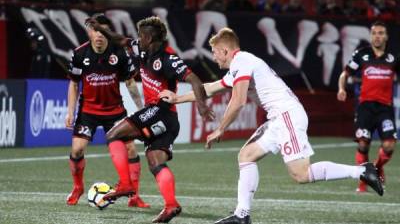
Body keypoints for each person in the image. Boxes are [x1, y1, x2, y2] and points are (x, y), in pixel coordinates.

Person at [159, 27, 383, 224]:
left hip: (287, 116)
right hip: (279, 119)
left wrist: (220, 128)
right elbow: (208, 89)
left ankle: (363, 170)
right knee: (246, 156)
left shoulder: (242, 61)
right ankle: (242, 214)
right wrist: (177, 98)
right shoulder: (239, 66)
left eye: (216, 53)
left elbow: (237, 101)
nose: (214, 58)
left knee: (301, 174)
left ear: (225, 51)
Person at [88, 16, 213, 223]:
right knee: (155, 162)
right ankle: (171, 205)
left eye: (140, 35)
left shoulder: (168, 58)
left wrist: (201, 106)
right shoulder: (141, 48)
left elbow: (194, 80)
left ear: (148, 37)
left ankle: (126, 184)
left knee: (113, 135)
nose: (137, 39)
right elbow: (120, 39)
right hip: (168, 121)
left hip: (160, 112)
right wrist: (100, 27)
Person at [65, 13, 149, 208]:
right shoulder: (80, 54)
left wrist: (142, 109)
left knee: (130, 149)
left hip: (115, 111)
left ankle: (134, 196)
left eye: (103, 31)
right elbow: (74, 84)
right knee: (77, 150)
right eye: (96, 30)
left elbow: (129, 82)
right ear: (89, 32)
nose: (99, 35)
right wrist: (70, 111)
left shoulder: (119, 52)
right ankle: (78, 187)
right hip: (88, 112)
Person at [337, 21, 399, 193]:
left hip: (385, 108)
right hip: (365, 107)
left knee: (388, 146)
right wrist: (341, 88)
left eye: (380, 33)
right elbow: (345, 73)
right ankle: (363, 182)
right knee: (363, 145)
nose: (377, 36)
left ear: (386, 36)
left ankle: (377, 167)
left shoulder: (393, 57)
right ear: (370, 35)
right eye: (374, 33)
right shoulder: (361, 54)